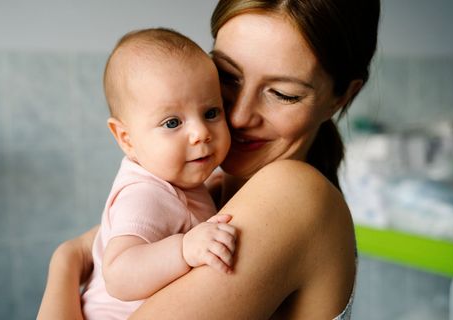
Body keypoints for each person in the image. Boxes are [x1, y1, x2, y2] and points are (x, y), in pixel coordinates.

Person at [38, 0, 380, 318]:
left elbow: (90, 257)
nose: (241, 115)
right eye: (228, 76)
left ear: (341, 98)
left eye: (282, 94)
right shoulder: (199, 195)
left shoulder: (293, 195)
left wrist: (66, 262)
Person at [79, 28, 235, 320]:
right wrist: (185, 249)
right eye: (173, 122)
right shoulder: (144, 195)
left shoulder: (175, 182)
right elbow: (120, 275)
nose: (201, 133)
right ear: (126, 138)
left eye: (211, 113)